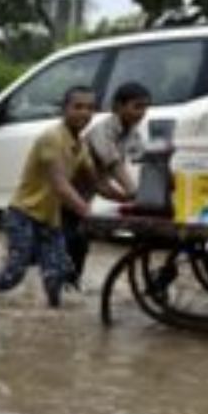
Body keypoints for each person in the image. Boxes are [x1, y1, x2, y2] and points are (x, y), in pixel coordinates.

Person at [0, 86, 100, 308]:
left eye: (90, 108)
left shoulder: (80, 145)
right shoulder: (52, 138)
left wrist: (129, 197)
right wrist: (87, 212)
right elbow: (60, 185)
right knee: (14, 275)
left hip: (50, 219)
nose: (84, 113)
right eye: (78, 107)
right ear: (64, 109)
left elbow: (95, 181)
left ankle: (53, 321)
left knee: (56, 275)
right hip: (23, 214)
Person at [64, 81, 152, 286]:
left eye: (145, 107)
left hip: (84, 197)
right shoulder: (102, 131)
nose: (142, 113)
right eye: (137, 106)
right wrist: (133, 192)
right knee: (70, 243)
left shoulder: (131, 133)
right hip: (65, 195)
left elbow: (146, 160)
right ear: (118, 107)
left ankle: (69, 288)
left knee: (79, 245)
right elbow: (113, 165)